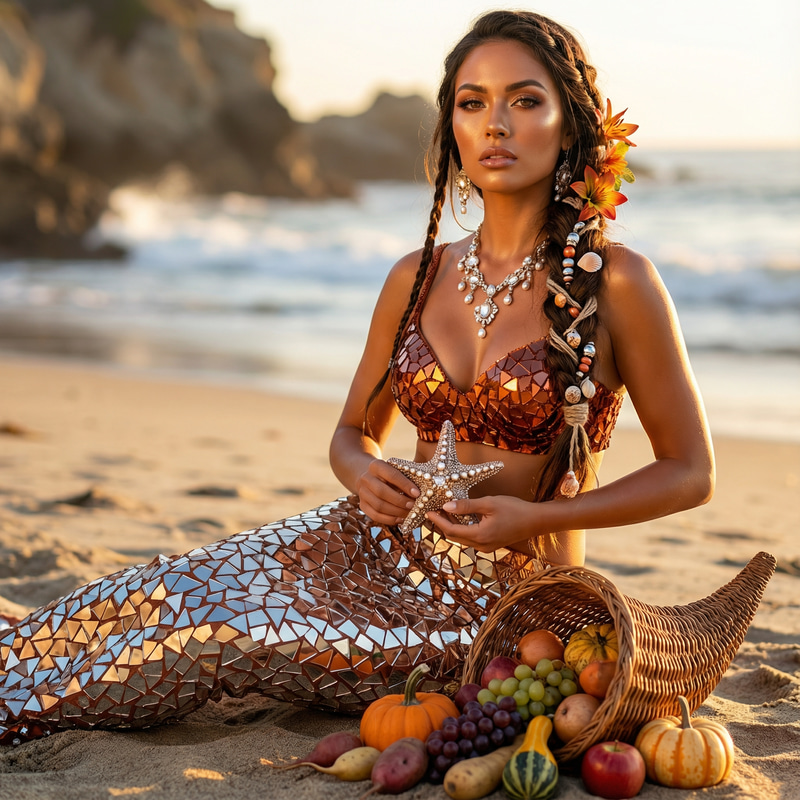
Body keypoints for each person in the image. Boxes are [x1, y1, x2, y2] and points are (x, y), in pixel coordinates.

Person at [0, 10, 713, 746]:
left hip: (508, 612)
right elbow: (352, 435)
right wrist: (363, 475)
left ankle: (14, 712)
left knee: (226, 632)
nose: (496, 124)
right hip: (373, 547)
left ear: (570, 126)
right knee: (178, 585)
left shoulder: (616, 282)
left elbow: (691, 472)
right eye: (473, 103)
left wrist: (539, 520)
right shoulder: (415, 275)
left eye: (525, 101)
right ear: (453, 129)